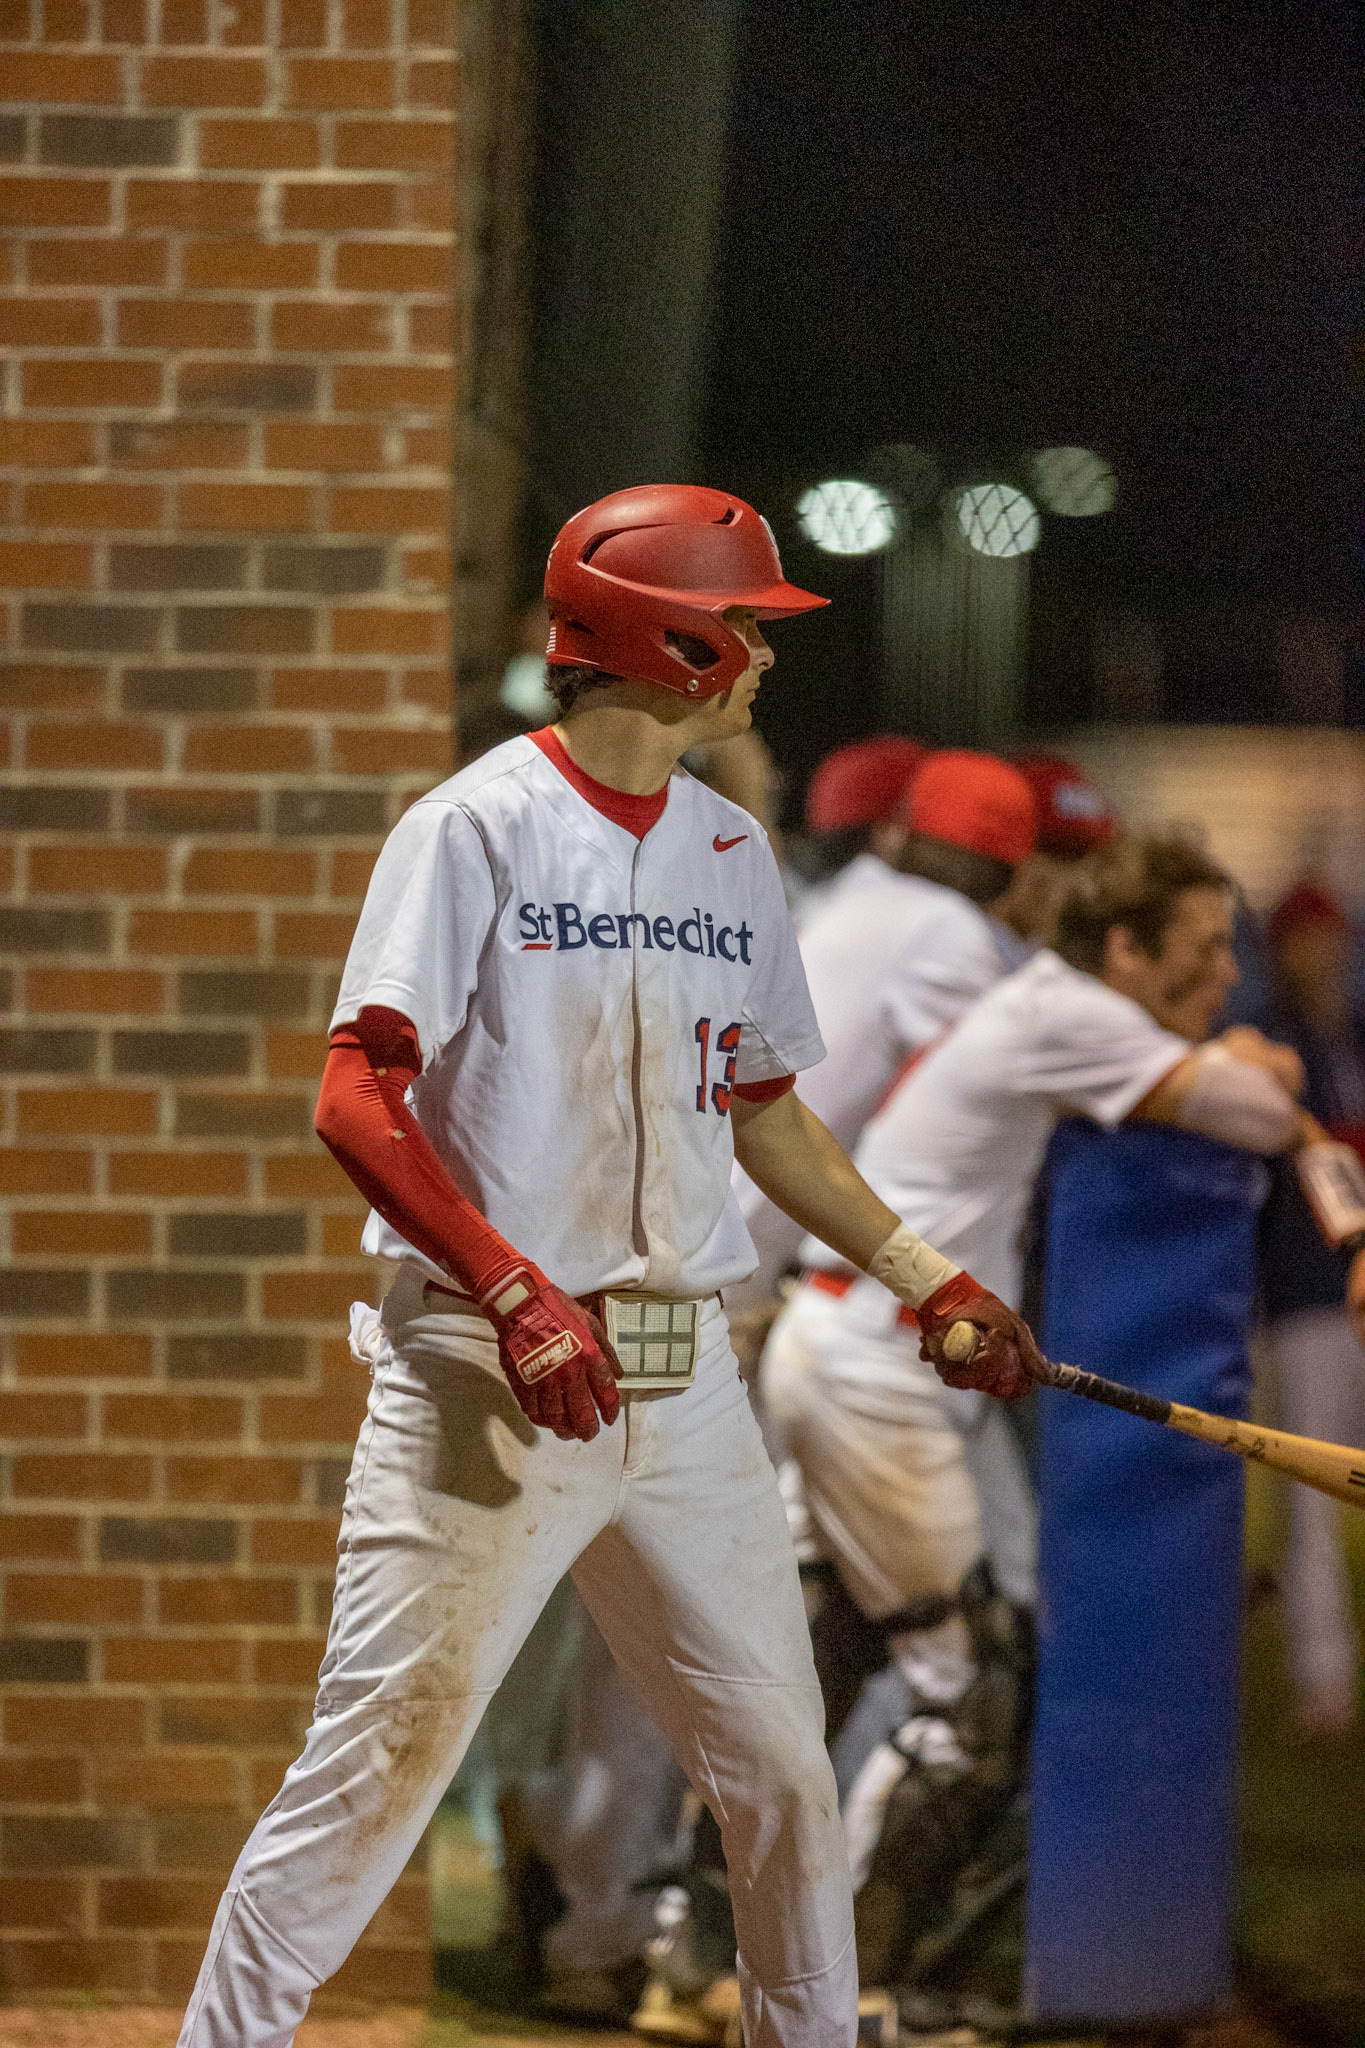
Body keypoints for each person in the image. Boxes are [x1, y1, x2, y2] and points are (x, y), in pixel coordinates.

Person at [174, 483, 1045, 2048]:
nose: (769, 659)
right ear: (670, 641)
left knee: (777, 1773)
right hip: (482, 1369)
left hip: (680, 1374)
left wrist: (930, 1276)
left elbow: (767, 1116)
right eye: (749, 629)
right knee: (377, 1770)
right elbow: (351, 1097)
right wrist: (513, 1290)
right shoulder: (474, 826)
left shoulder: (726, 848)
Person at [761, 833, 1306, 1987]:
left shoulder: (1057, 1002)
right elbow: (1258, 1113)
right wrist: (1257, 1063)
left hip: (882, 1347)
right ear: (1122, 943)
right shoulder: (1071, 1007)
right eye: (1199, 950)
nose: (1221, 976)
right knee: (977, 1699)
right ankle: (833, 1984)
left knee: (840, 1654)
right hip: (883, 1360)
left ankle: (723, 1951)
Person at [1256, 879, 1365, 1735]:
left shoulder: (1350, 1037)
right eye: (1305, 939)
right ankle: (1322, 1677)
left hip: (1337, 1289)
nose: (1320, 954)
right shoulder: (1279, 1048)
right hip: (1312, 1293)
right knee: (1315, 1494)